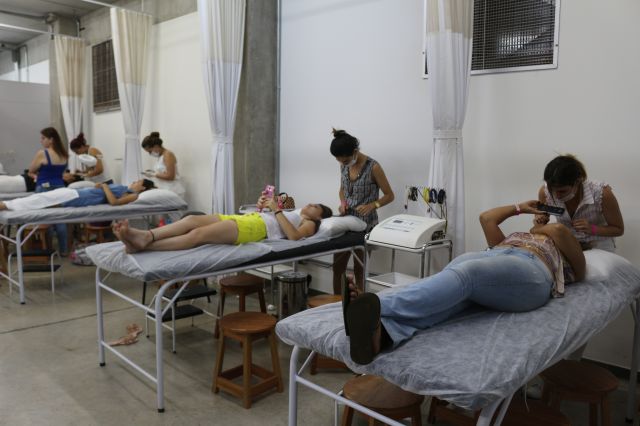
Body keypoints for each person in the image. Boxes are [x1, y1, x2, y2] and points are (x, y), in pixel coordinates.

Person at [343, 200, 586, 365]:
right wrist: (520, 208)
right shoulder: (517, 237)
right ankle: (383, 333)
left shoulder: (558, 237)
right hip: (499, 257)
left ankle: (380, 305)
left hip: (534, 271)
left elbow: (565, 241)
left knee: (466, 274)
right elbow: (486, 218)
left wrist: (542, 229)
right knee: (455, 288)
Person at [113, 192, 333, 253]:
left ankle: (145, 245)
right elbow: (275, 214)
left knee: (197, 236)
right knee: (191, 219)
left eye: (316, 206)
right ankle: (147, 236)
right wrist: (264, 205)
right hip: (249, 218)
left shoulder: (310, 224)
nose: (310, 203)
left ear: (319, 216)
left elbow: (294, 237)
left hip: (255, 228)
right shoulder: (293, 209)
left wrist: (276, 209)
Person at [329, 128, 394, 294]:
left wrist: (373, 205)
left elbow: (389, 195)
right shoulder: (344, 165)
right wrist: (343, 203)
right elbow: (342, 189)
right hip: (346, 222)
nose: (342, 163)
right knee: (338, 267)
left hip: (365, 225)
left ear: (355, 151)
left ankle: (359, 305)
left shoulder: (374, 167)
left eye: (345, 160)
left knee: (360, 269)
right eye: (339, 161)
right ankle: (336, 303)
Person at [536, 154, 624, 252]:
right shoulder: (545, 192)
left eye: (562, 191)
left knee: (595, 262)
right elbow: (540, 222)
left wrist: (592, 229)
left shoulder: (602, 193)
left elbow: (618, 229)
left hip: (597, 244)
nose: (556, 196)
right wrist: (540, 219)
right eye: (552, 190)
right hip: (567, 243)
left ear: (577, 182)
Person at [28, 127, 69, 254]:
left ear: (51, 139)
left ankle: (48, 250)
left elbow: (31, 171)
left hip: (44, 188)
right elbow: (60, 173)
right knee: (60, 219)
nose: (41, 141)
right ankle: (63, 250)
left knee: (45, 219)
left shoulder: (42, 153)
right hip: (60, 188)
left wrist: (35, 176)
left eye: (43, 138)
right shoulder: (64, 154)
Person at [0, 179, 155, 211]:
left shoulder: (134, 195)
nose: (134, 181)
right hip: (76, 193)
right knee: (38, 198)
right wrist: (101, 185)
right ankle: (7, 205)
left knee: (41, 201)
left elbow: (114, 203)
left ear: (142, 187)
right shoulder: (124, 187)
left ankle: (6, 205)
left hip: (80, 197)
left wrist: (105, 186)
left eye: (137, 181)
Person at [141, 132, 186, 199]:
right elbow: (163, 172)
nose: (150, 154)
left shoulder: (168, 155)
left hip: (173, 190)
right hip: (165, 190)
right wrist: (152, 172)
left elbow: (171, 176)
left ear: (156, 146)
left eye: (150, 151)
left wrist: (154, 174)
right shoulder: (161, 156)